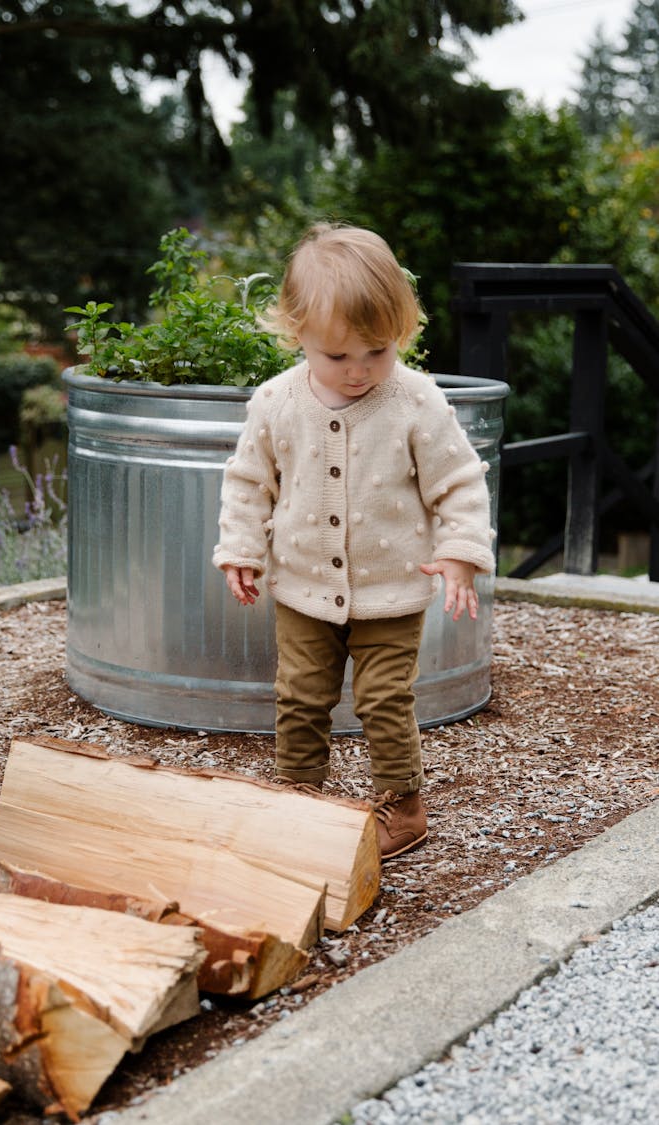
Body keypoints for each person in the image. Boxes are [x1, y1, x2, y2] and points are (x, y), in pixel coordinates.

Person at [212, 223, 495, 860]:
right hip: (303, 587)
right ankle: (299, 792)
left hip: (392, 590)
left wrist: (459, 553)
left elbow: (459, 483)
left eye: (377, 352)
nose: (360, 371)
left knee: (382, 696)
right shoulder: (276, 401)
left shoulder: (417, 401)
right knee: (301, 693)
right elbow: (249, 483)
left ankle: (402, 802)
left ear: (400, 332)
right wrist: (240, 549)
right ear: (296, 332)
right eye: (338, 357)